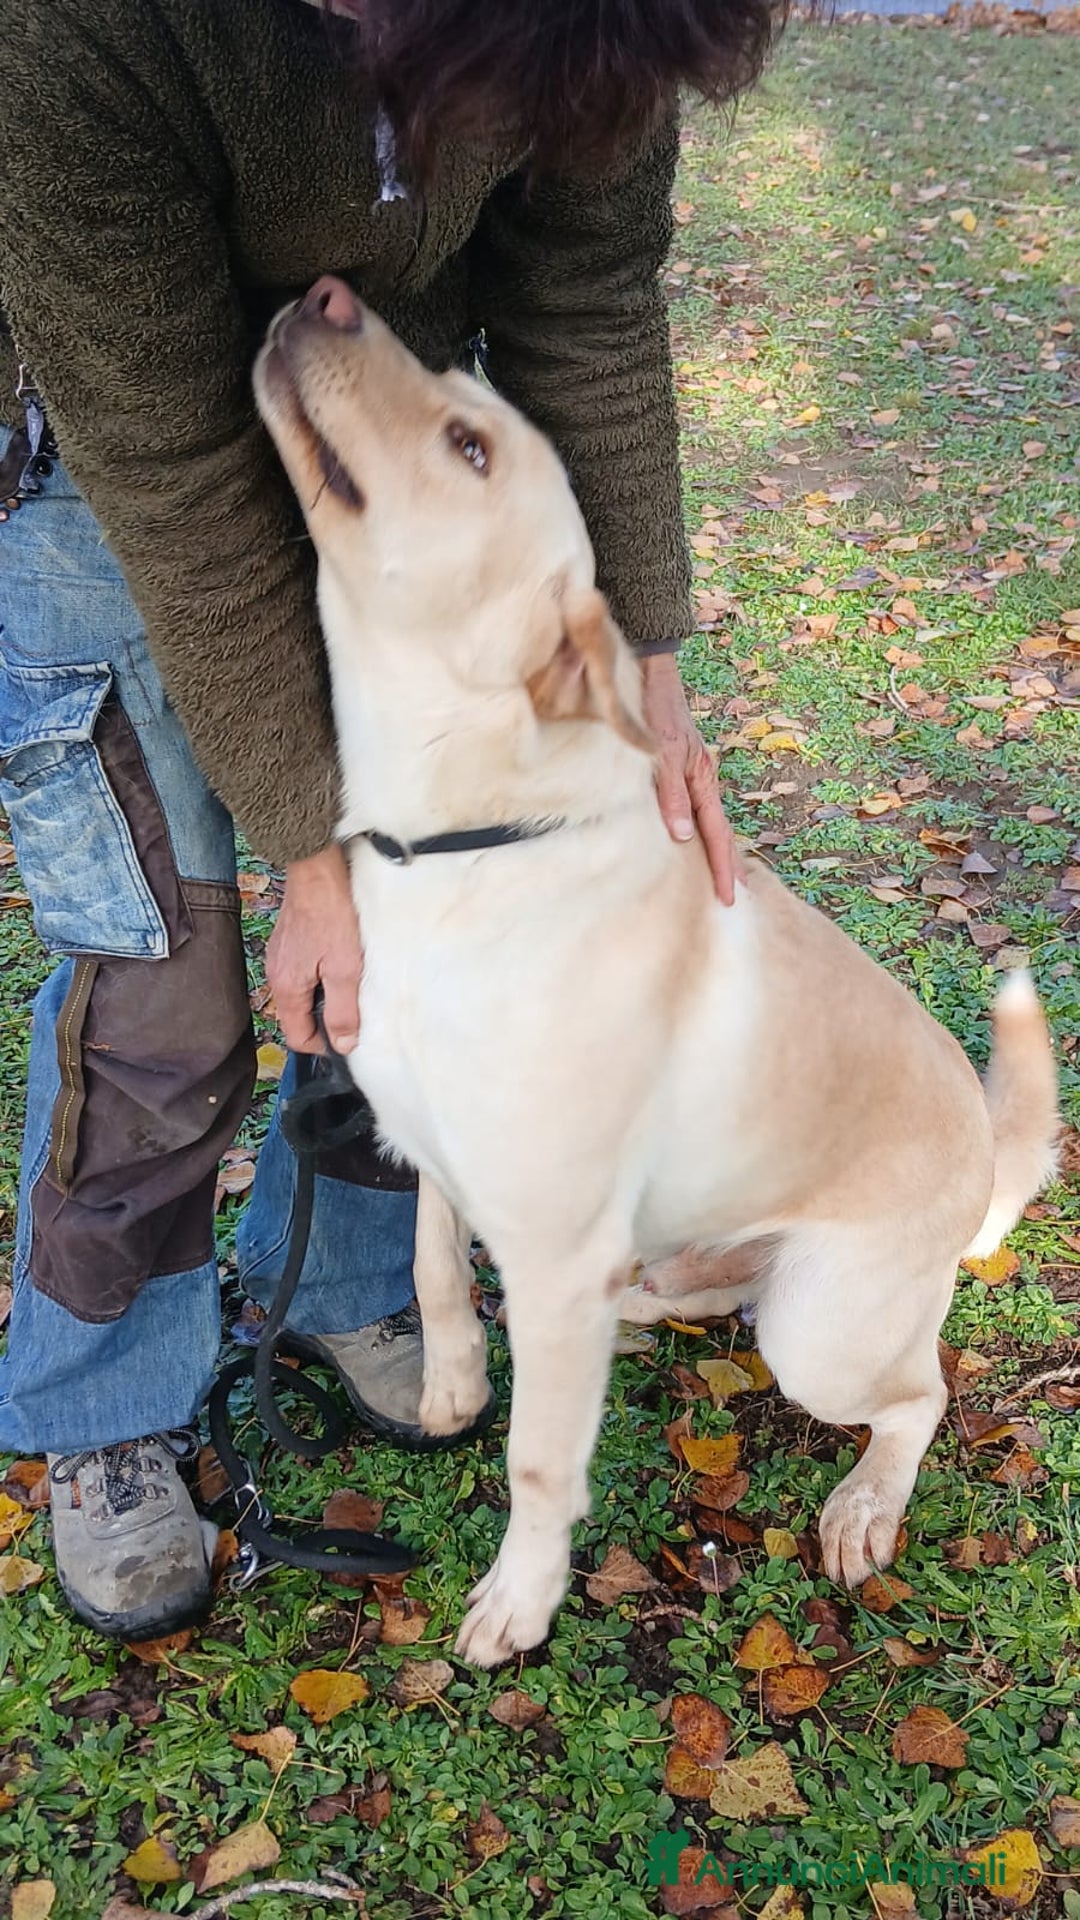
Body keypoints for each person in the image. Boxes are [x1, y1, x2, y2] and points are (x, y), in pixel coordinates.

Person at [0, 0, 770, 1640]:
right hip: (117, 471)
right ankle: (107, 1403)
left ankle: (351, 1286)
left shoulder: (585, 20)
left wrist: (650, 667)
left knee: (412, 943)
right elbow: (180, 478)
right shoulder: (71, 30)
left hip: (388, 455)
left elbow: (585, 306)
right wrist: (307, 847)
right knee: (162, 979)